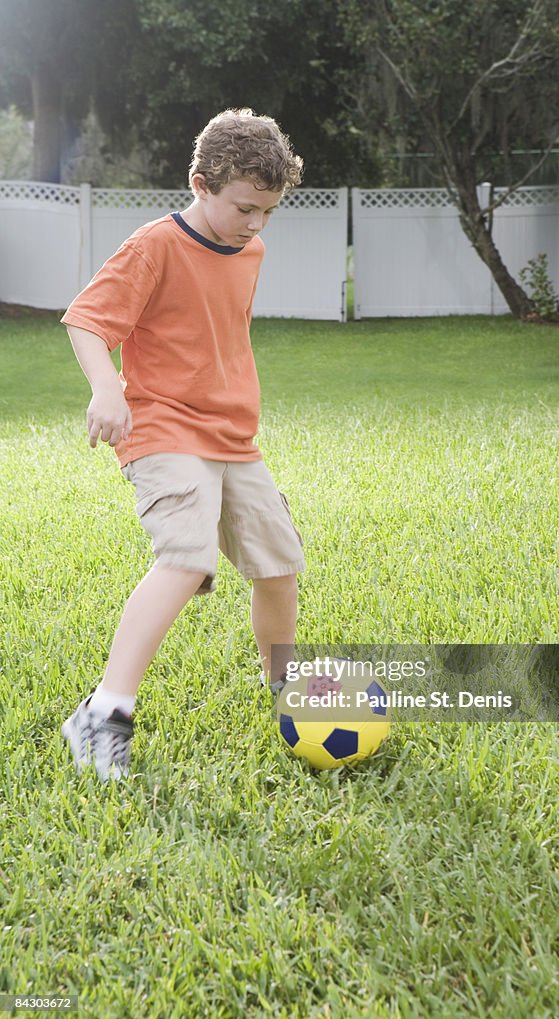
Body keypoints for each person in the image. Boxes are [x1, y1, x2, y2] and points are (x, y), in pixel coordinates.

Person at [60, 108, 305, 781]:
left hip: (232, 434)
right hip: (162, 427)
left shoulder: (249, 249)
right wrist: (108, 388)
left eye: (267, 211)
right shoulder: (153, 246)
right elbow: (86, 319)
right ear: (200, 182)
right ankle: (104, 711)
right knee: (186, 555)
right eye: (243, 208)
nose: (254, 224)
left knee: (278, 562)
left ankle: (283, 687)